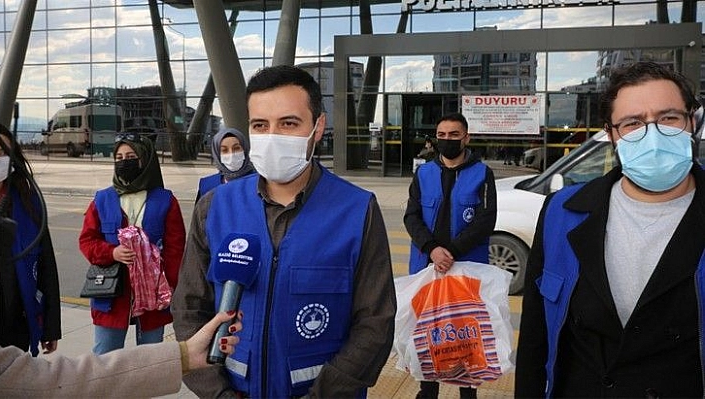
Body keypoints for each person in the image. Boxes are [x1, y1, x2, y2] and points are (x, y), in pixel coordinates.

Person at [172, 64, 396, 398]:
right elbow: (189, 308)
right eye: (260, 125)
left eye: (289, 123)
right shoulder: (215, 207)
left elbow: (375, 325)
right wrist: (218, 394)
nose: (272, 136)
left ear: (317, 127)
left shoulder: (357, 210)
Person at [515, 61, 705, 397]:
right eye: (633, 123)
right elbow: (535, 337)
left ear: (691, 121)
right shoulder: (563, 211)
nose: (653, 134)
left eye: (668, 118)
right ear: (612, 134)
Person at [403, 112, 497, 399]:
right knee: (429, 333)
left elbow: (486, 220)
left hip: (465, 269)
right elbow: (411, 216)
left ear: (466, 138)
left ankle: (468, 393)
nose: (447, 140)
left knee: (465, 335)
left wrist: (452, 251)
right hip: (427, 268)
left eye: (454, 135)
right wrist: (432, 249)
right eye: (441, 135)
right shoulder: (423, 173)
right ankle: (427, 391)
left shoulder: (482, 174)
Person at [79, 133, 185, 355]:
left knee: (149, 361)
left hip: (153, 298)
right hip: (111, 295)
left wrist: (171, 288)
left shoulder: (166, 200)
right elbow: (87, 241)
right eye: (119, 157)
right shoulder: (102, 199)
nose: (123, 162)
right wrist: (112, 252)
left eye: (130, 156)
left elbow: (176, 250)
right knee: (105, 359)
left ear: (144, 160)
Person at [0, 311, 242, 397]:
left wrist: (183, 356)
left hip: (151, 306)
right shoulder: (104, 201)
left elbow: (49, 382)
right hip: (112, 305)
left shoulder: (164, 201)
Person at [0, 124, 61, 357]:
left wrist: (50, 327)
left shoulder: (28, 200)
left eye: (2, 153)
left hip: (16, 323)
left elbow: (46, 264)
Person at [195, 126, 255, 202]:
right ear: (217, 154)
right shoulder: (207, 185)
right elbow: (201, 213)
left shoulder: (260, 182)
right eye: (224, 150)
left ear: (245, 149)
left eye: (236, 148)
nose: (231, 154)